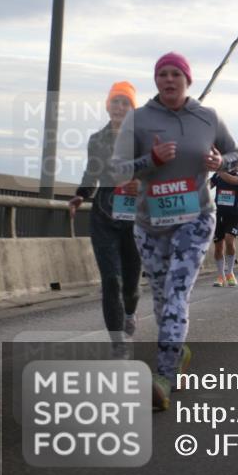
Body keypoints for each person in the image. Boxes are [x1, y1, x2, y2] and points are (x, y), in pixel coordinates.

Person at [111, 52, 238, 409]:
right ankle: (177, 350)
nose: (168, 80)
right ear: (156, 81)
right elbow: (117, 170)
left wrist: (220, 162)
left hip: (195, 217)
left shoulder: (207, 117)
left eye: (175, 74)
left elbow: (234, 154)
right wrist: (150, 161)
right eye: (162, 75)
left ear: (188, 80)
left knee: (176, 291)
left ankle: (164, 375)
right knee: (161, 296)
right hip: (149, 223)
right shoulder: (139, 120)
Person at [69, 81, 141, 355]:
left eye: (125, 103)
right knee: (112, 280)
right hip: (104, 216)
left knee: (132, 285)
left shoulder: (141, 140)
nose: (120, 107)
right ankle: (118, 341)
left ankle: (130, 313)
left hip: (134, 219)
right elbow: (91, 175)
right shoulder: (97, 140)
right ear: (108, 106)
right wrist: (80, 195)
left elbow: (155, 176)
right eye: (115, 102)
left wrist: (141, 185)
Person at [210, 164, 238, 287]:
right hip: (218, 214)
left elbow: (232, 181)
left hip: (233, 215)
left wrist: (219, 171)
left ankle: (230, 273)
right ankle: (220, 276)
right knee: (218, 247)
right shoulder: (218, 175)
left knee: (229, 240)